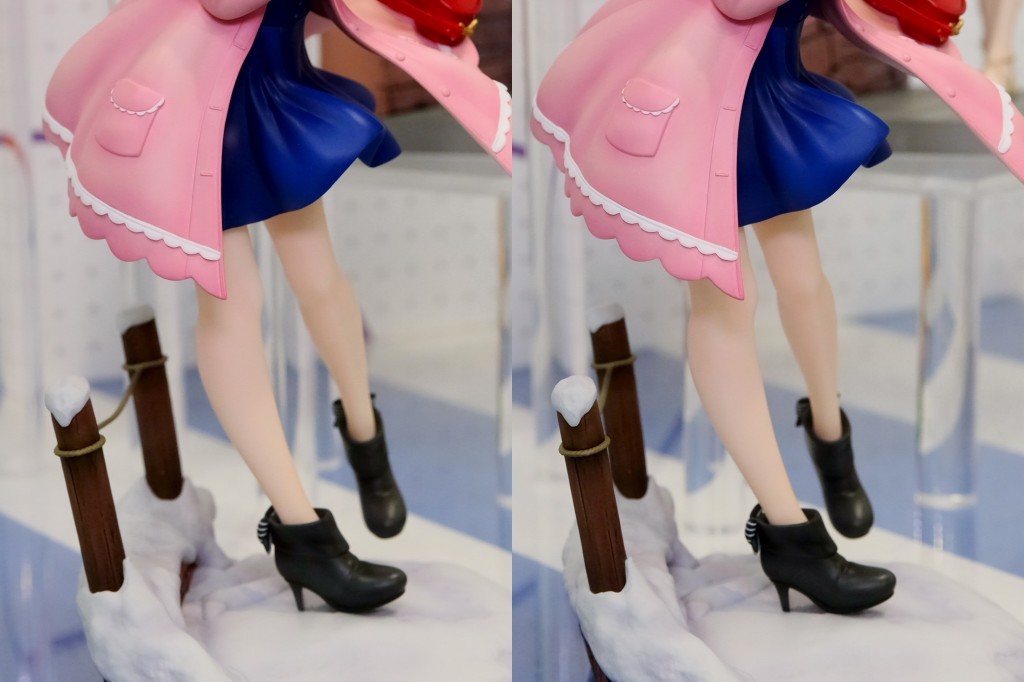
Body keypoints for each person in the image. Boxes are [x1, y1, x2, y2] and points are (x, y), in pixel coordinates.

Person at [533, 0, 1024, 613]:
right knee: (727, 303)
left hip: (766, 99)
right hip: (694, 113)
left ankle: (829, 434)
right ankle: (790, 536)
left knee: (803, 280)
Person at [43, 0, 511, 613]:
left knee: (317, 276)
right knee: (232, 305)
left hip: (273, 99)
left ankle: (364, 435)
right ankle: (303, 535)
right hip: (193, 118)